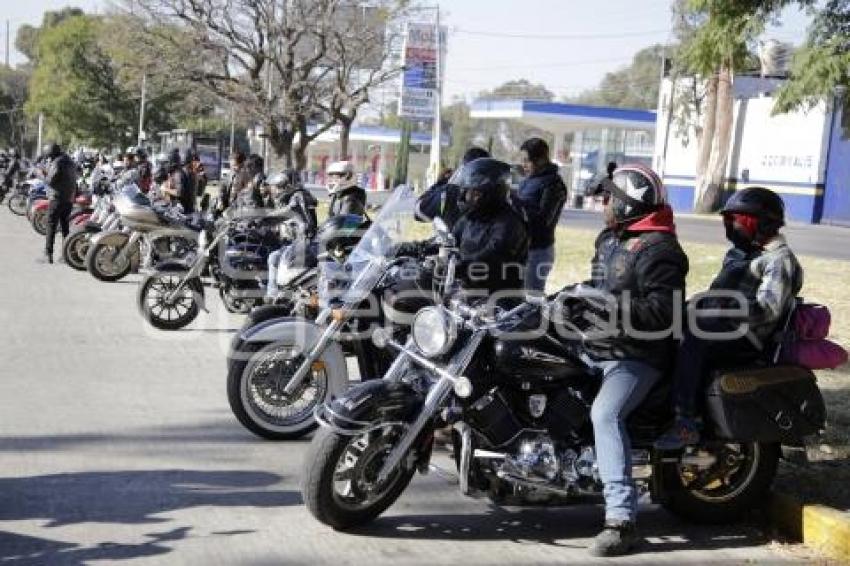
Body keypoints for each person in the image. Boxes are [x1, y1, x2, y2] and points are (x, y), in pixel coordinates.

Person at [581, 164, 688, 557]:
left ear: (629, 202)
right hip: (599, 343)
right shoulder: (609, 240)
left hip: (637, 354)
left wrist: (609, 307)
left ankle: (621, 520)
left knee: (605, 415)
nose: (603, 205)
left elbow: (664, 313)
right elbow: (596, 287)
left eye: (609, 198)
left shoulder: (661, 250)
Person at [655, 187, 803, 450]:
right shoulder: (741, 253)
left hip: (747, 338)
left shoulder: (778, 259)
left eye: (736, 220)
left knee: (694, 336)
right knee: (663, 326)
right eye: (728, 220)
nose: (730, 226)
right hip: (723, 326)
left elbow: (768, 309)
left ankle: (685, 421)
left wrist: (721, 309)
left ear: (760, 223)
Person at [450, 157, 529, 295]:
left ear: (493, 194)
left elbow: (492, 255)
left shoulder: (509, 223)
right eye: (467, 192)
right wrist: (419, 248)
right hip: (467, 292)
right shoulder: (471, 218)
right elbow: (449, 241)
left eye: (475, 193)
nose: (468, 197)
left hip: (499, 301)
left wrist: (459, 267)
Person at [516, 137, 568, 294]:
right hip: (522, 248)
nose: (523, 165)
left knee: (532, 298)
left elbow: (543, 221)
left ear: (541, 160)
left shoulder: (554, 185)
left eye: (527, 161)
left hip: (538, 251)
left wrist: (516, 204)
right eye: (522, 160)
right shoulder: (527, 181)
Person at [264, 170, 320, 302]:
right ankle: (276, 293)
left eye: (280, 186)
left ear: (289, 185)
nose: (277, 190)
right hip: (298, 241)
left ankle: (273, 295)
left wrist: (264, 218)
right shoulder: (294, 196)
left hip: (304, 242)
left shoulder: (299, 196)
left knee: (275, 257)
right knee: (274, 256)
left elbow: (287, 212)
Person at [415, 146, 489, 230]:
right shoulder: (498, 197)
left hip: (456, 241)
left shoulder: (449, 192)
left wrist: (439, 184)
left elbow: (419, 212)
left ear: (463, 168)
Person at [41, 143, 79, 264]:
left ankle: (48, 254)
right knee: (65, 226)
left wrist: (42, 175)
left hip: (57, 198)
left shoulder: (57, 163)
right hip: (68, 199)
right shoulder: (70, 161)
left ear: (50, 154)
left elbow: (51, 180)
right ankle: (66, 255)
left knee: (51, 225)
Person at [160, 148, 195, 213]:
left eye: (167, 162)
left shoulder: (178, 174)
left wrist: (165, 189)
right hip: (177, 210)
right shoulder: (175, 173)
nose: (165, 165)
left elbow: (179, 192)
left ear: (172, 162)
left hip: (183, 213)